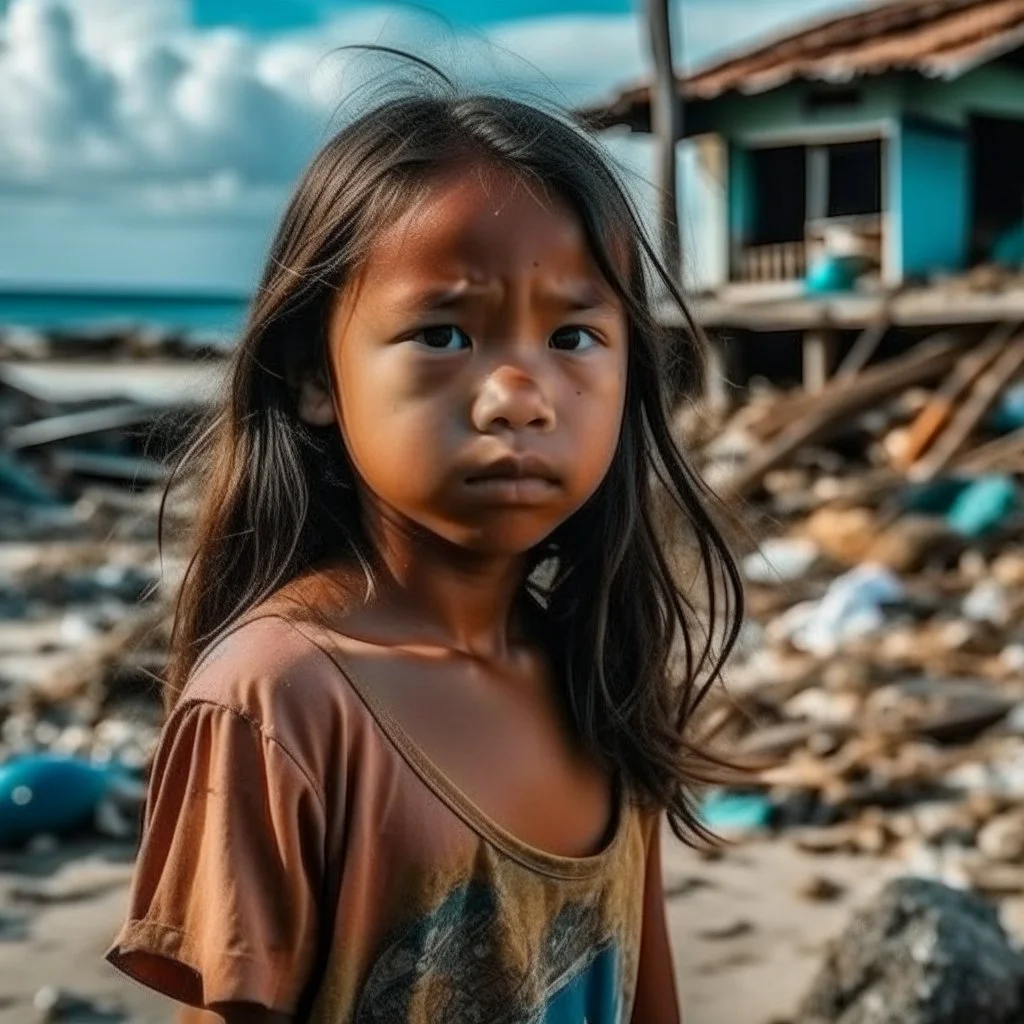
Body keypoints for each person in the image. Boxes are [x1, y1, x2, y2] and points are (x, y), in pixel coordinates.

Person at [105, 64, 743, 1024]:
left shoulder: (593, 659)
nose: (519, 395)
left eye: (573, 337)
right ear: (314, 377)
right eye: (445, 335)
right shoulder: (280, 705)